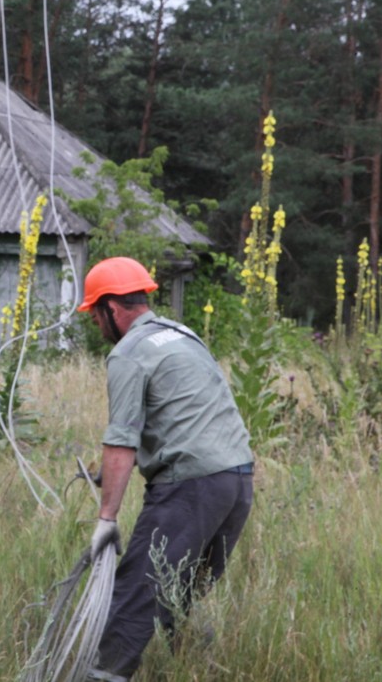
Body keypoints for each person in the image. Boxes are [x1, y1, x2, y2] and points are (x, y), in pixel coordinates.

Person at [78, 257, 254, 682]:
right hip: (237, 482)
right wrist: (108, 471)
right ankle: (198, 672)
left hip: (189, 489)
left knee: (135, 598)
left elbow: (121, 439)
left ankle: (102, 675)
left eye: (96, 316)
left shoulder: (128, 353)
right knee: (180, 601)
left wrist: (106, 520)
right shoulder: (183, 336)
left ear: (111, 309)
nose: (97, 326)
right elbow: (186, 414)